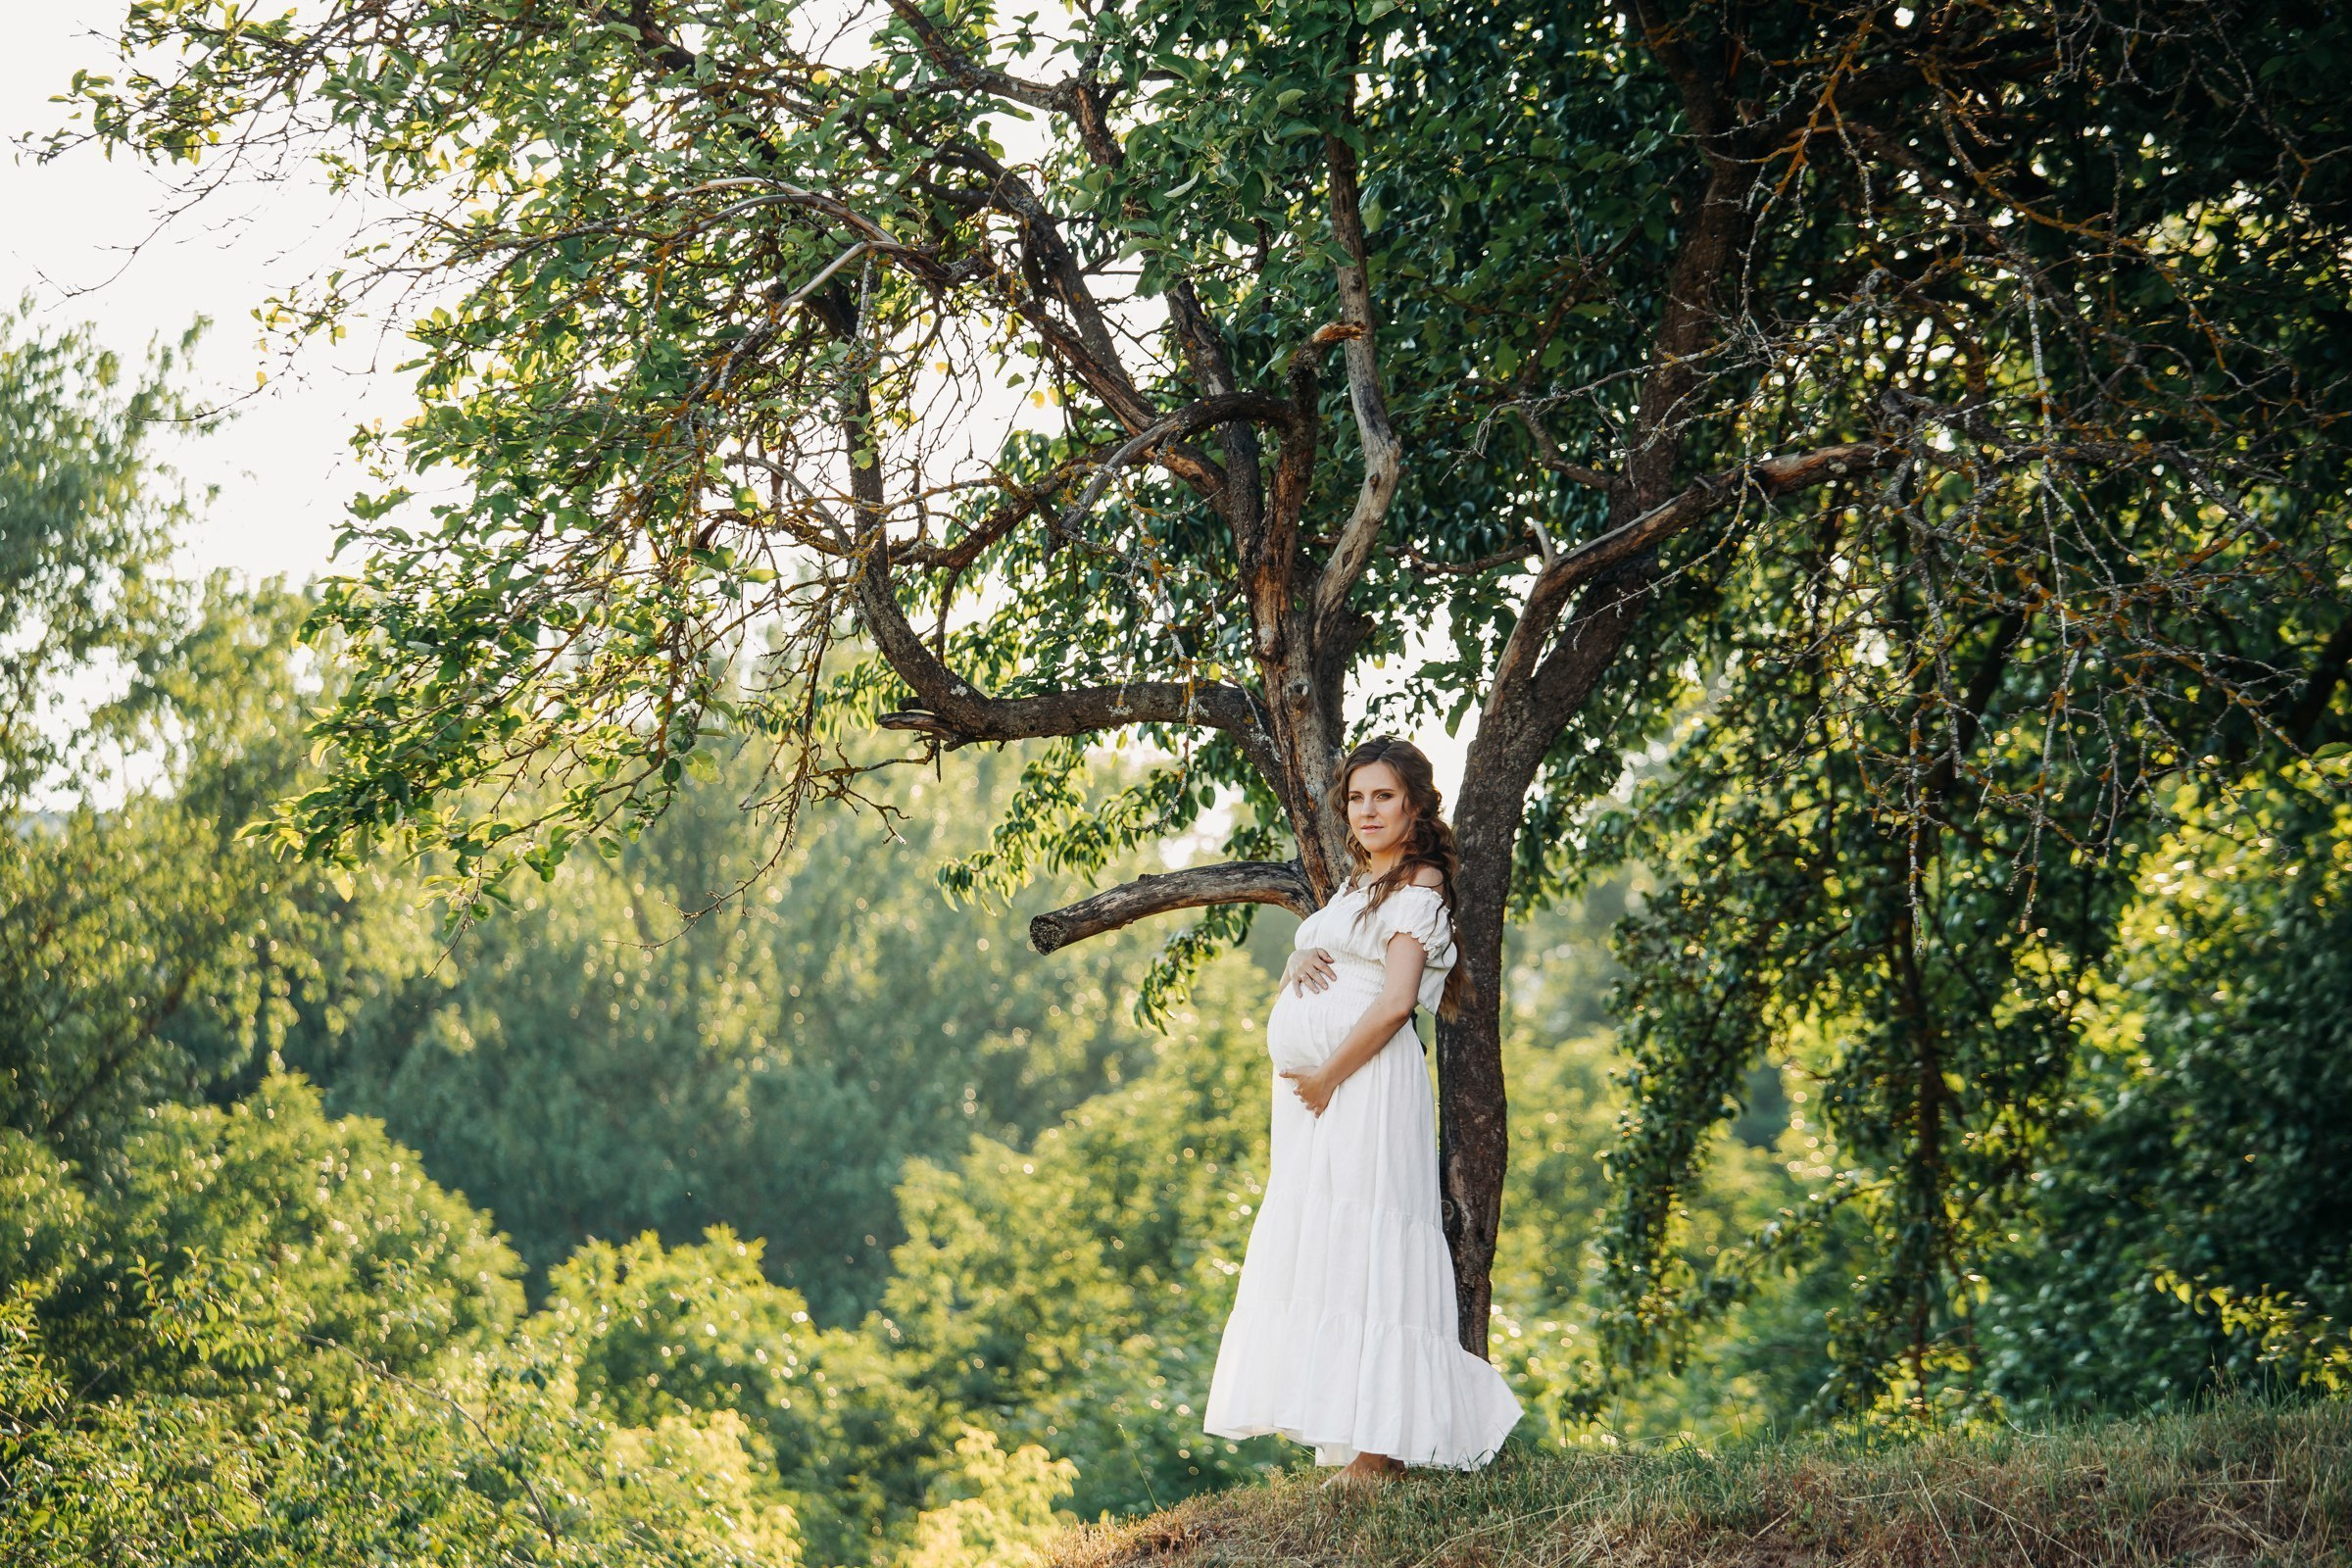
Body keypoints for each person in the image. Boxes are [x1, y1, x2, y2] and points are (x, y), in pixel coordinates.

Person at [1201, 737, 1522, 1484]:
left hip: (1364, 1087)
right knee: (1330, 1245)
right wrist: (1296, 960)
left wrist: (1326, 1078)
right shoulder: (1360, 883)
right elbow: (1344, 958)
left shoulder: (1420, 887)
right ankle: (1357, 1436)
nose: (1368, 810)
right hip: (1319, 1098)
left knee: (1372, 1239)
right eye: (1357, 798)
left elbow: (1395, 1002)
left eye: (1383, 796)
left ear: (1414, 804)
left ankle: (1381, 1452)